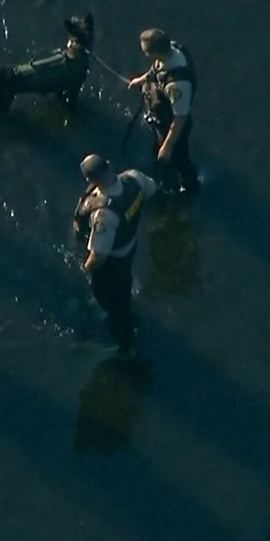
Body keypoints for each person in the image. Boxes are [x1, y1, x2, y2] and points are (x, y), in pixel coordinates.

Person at [75, 154, 157, 355]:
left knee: (113, 302)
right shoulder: (133, 178)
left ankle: (125, 342)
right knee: (124, 280)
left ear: (91, 180)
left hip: (113, 261)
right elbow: (151, 188)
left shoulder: (104, 215)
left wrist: (85, 268)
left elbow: (99, 256)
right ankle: (126, 300)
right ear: (110, 165)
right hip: (130, 245)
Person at [127, 28, 199, 194]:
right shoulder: (170, 51)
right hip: (161, 119)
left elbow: (180, 117)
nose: (143, 53)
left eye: (145, 51)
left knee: (180, 160)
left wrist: (167, 147)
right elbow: (157, 69)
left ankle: (189, 187)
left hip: (173, 127)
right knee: (159, 151)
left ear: (155, 53)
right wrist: (142, 80)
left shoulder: (177, 85)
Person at [0, 13, 94, 116]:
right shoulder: (78, 70)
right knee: (1, 118)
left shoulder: (63, 57)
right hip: (3, 88)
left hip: (1, 76)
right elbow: (72, 100)